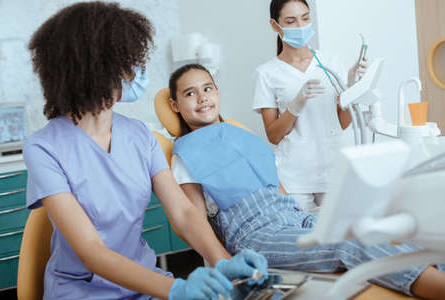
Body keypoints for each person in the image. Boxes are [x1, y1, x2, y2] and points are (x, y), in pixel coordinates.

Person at [24, 2, 267, 300]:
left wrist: (224, 262)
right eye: (127, 62)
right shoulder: (44, 148)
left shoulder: (139, 135)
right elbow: (90, 251)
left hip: (145, 282)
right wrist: (176, 289)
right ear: (92, 69)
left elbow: (183, 212)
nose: (136, 71)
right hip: (82, 291)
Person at [168, 63, 445, 299]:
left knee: (376, 224)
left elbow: (276, 187)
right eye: (189, 93)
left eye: (207, 88)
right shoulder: (185, 153)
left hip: (290, 215)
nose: (201, 98)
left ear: (217, 92)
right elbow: (194, 217)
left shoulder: (241, 136)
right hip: (257, 234)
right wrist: (224, 263)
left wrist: (306, 219)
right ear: (175, 105)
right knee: (347, 242)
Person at [252, 0, 367, 212]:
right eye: (291, 21)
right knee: (301, 240)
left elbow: (341, 123)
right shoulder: (267, 74)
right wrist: (295, 106)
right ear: (274, 25)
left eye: (305, 18)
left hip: (333, 170)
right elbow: (273, 135)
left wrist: (353, 88)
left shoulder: (330, 63)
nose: (301, 26)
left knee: (342, 237)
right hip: (294, 178)